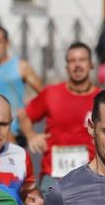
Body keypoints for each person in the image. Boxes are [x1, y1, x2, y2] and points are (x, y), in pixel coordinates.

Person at [23, 41, 100, 189]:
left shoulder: (102, 99)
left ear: (91, 65)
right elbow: (24, 116)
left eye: (82, 60)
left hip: (90, 178)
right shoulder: (52, 93)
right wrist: (31, 135)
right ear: (66, 67)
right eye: (72, 61)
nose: (77, 65)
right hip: (54, 177)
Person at [0, 24, 43, 137]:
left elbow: (44, 95)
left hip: (16, 134)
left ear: (7, 43)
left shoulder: (21, 66)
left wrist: (29, 114)